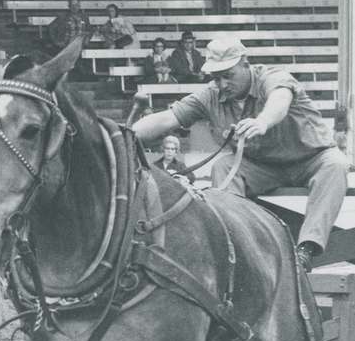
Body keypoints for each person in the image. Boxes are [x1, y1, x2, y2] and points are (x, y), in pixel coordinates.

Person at [133, 38, 347, 272]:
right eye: (216, 77)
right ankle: (235, 244)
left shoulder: (273, 77)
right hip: (262, 167)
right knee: (223, 166)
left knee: (336, 164)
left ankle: (306, 249)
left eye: (228, 75)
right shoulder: (210, 95)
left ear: (245, 64)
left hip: (311, 158)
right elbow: (167, 118)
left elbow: (280, 99)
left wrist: (262, 121)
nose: (222, 83)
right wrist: (124, 135)